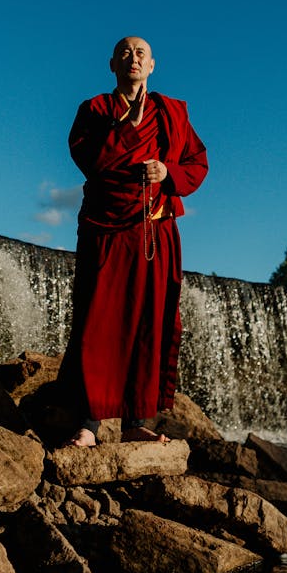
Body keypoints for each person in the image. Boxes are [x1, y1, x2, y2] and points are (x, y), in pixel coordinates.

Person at [58, 36, 208, 447]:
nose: (133, 57)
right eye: (125, 52)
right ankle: (88, 424)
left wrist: (169, 172)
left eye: (141, 52)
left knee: (148, 321)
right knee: (97, 322)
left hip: (154, 231)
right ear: (112, 64)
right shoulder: (94, 110)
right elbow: (89, 160)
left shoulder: (172, 112)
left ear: (153, 64)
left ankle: (135, 422)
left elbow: (198, 162)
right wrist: (128, 127)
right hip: (107, 231)